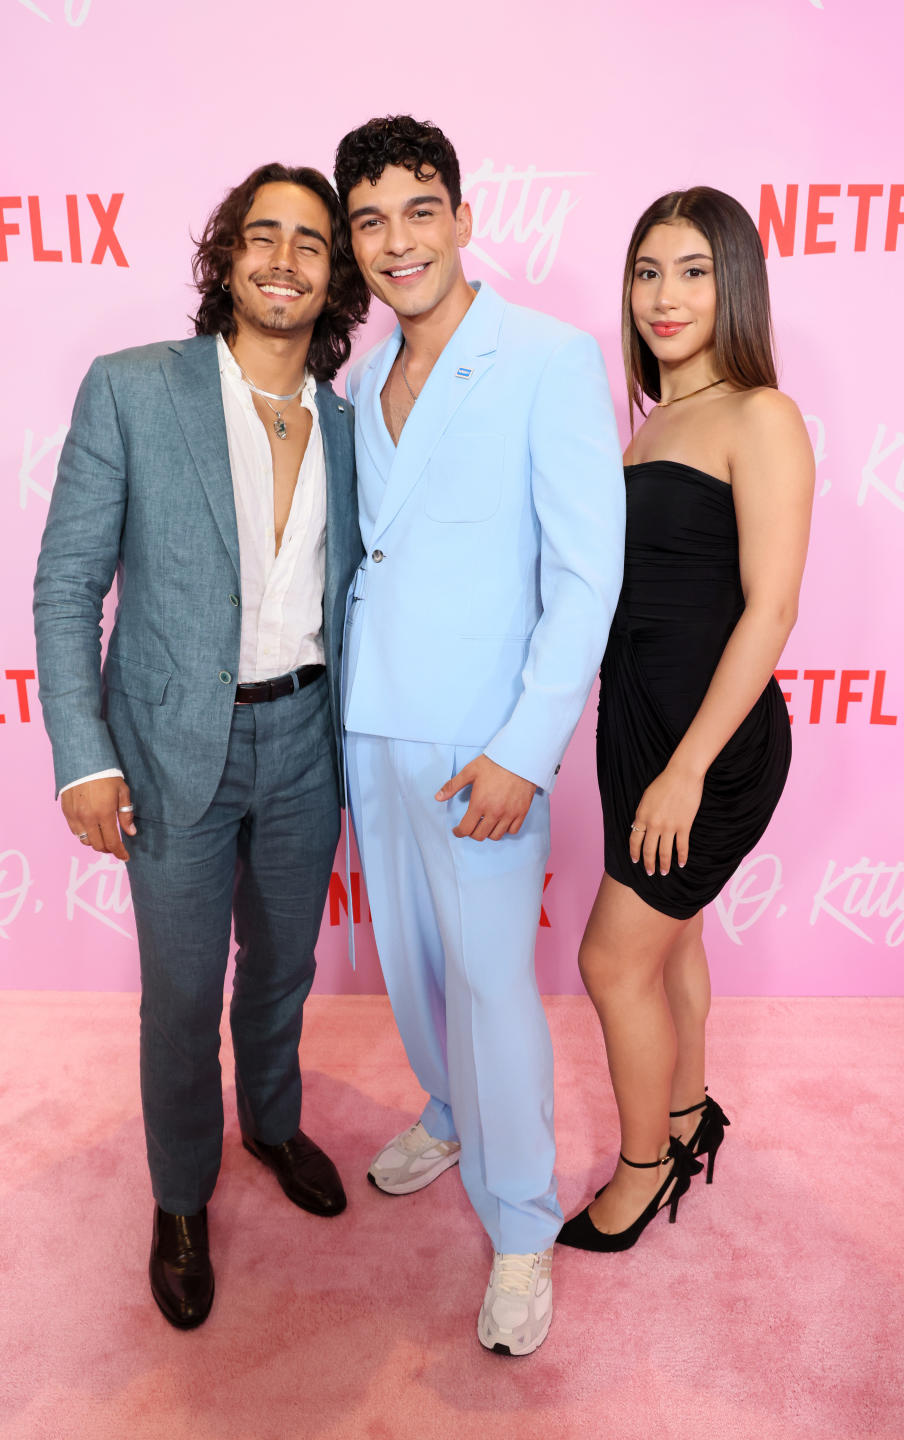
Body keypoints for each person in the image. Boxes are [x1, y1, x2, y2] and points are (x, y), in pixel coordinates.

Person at [33, 164, 368, 1327]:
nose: (285, 257)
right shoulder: (132, 391)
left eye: (311, 243)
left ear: (336, 277)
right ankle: (181, 1199)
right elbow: (71, 582)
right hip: (174, 749)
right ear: (224, 257)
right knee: (179, 996)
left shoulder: (350, 424)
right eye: (262, 235)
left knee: (280, 970)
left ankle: (269, 1122)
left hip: (307, 745)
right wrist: (84, 753)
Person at [333, 115, 625, 1355]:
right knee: (408, 962)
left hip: (480, 744)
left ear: (460, 215)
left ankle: (520, 1229)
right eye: (369, 220)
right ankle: (447, 1108)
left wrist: (526, 747)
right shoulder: (357, 379)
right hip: (370, 721)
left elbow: (588, 574)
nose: (396, 241)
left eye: (417, 210)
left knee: (498, 987)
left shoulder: (550, 358)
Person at [557, 187, 814, 1253]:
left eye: (695, 271)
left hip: (710, 745)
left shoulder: (761, 413)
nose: (665, 295)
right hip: (639, 730)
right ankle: (688, 1109)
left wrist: (689, 770)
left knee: (613, 964)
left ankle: (644, 1169)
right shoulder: (652, 422)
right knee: (672, 944)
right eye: (648, 270)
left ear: (737, 284)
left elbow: (774, 607)